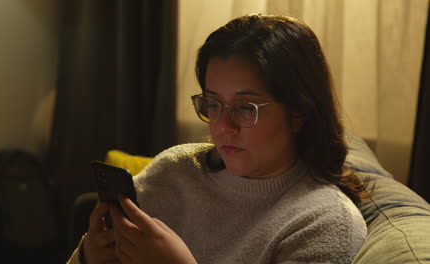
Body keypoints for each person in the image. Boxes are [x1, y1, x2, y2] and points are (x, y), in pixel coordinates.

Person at [67, 14, 368, 264]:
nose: (222, 127)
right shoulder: (174, 170)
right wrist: (88, 256)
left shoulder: (325, 224)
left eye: (244, 108)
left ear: (299, 111)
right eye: (213, 104)